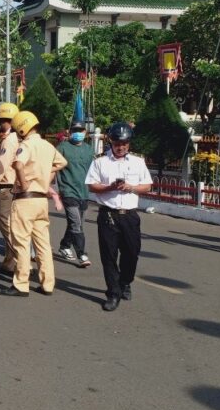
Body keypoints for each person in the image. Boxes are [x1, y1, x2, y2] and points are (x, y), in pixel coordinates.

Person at [85, 122, 153, 311]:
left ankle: (125, 281)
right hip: (108, 214)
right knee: (109, 256)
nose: (120, 147)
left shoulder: (138, 162)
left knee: (131, 253)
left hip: (130, 216)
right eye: (117, 143)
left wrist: (130, 187)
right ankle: (113, 293)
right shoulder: (100, 161)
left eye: (124, 143)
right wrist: (110, 187)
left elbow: (147, 186)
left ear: (129, 143)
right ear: (110, 142)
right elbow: (92, 185)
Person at [0, 111, 67, 298]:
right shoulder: (47, 145)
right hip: (41, 200)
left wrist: (23, 181)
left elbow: (18, 165)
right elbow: (62, 163)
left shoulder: (26, 145)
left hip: (25, 199)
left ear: (22, 128)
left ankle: (21, 284)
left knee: (22, 242)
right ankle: (47, 284)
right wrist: (45, 173)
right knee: (43, 244)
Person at [56, 121, 94, 267]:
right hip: (68, 190)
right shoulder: (62, 148)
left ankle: (65, 246)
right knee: (76, 223)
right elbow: (52, 166)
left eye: (81, 130)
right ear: (69, 131)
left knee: (77, 224)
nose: (78, 132)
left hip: (83, 192)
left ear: (85, 132)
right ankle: (82, 254)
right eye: (75, 130)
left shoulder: (89, 150)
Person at [0, 102, 20, 274]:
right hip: (22, 188)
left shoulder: (9, 140)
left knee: (6, 224)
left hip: (8, 187)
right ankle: (9, 262)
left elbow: (2, 166)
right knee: (15, 224)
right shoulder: (22, 138)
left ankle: (18, 258)